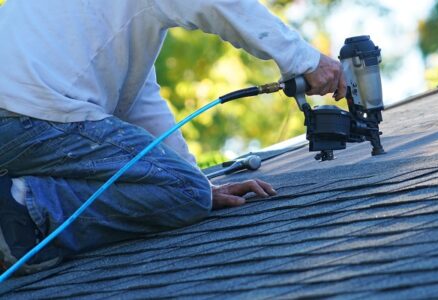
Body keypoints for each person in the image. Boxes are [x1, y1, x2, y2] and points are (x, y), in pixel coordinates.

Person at [0, 0, 346, 275]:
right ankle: (21, 212)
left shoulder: (114, 23)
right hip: (31, 113)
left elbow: (139, 103)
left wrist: (197, 180)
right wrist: (305, 59)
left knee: (189, 188)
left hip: (24, 115)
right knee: (186, 194)